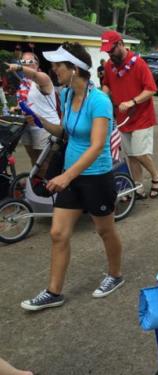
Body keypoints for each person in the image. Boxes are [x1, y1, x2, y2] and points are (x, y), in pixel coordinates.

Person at [20, 42, 124, 311]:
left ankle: (114, 275)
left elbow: (97, 145)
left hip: (96, 176)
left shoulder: (99, 101)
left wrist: (66, 176)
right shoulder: (66, 95)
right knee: (57, 233)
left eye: (58, 65)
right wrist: (39, 120)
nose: (53, 70)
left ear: (75, 69)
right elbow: (65, 132)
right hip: (71, 175)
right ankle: (54, 292)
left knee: (104, 229)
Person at [100, 30, 158, 199]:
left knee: (139, 152)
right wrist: (101, 97)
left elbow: (151, 89)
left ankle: (156, 176)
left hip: (142, 115)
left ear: (120, 44)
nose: (109, 54)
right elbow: (106, 85)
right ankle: (138, 186)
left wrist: (132, 102)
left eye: (111, 50)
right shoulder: (109, 66)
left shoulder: (139, 64)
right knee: (130, 156)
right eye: (106, 51)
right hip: (122, 118)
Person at [6, 52, 60, 170]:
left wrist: (19, 67)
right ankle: (35, 184)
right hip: (28, 126)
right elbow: (28, 102)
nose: (26, 64)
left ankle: (45, 187)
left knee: (45, 163)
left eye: (30, 62)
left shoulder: (42, 77)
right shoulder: (23, 83)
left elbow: (34, 75)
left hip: (45, 127)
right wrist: (17, 108)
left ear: (37, 64)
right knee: (34, 161)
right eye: (23, 62)